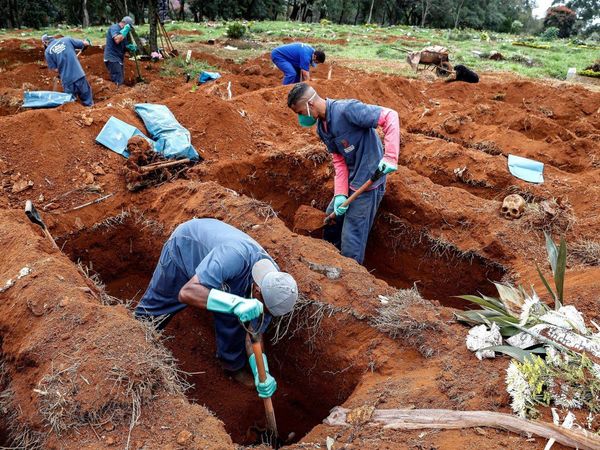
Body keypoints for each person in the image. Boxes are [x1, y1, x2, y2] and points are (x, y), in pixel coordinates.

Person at [134, 218, 298, 398]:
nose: (263, 312)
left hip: (226, 276)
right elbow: (187, 293)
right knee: (153, 313)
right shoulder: (234, 256)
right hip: (185, 250)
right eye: (263, 308)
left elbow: (254, 332)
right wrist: (235, 303)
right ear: (257, 290)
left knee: (234, 318)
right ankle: (132, 346)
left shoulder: (274, 285)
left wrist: (261, 371)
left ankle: (232, 366)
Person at [287, 83, 401, 264]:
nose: (301, 118)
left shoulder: (347, 110)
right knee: (330, 220)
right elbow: (339, 161)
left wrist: (390, 156)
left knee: (351, 243)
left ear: (310, 105)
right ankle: (330, 262)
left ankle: (350, 275)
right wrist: (340, 194)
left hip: (368, 184)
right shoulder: (322, 128)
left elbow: (390, 116)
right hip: (350, 182)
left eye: (300, 113)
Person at [42, 34, 93, 106]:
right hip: (79, 75)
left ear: (45, 43)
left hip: (67, 80)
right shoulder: (67, 39)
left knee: (70, 104)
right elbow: (85, 43)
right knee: (87, 97)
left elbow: (55, 69)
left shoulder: (48, 52)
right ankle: (90, 110)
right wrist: (87, 42)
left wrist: (60, 71)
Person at [104, 16, 138, 85]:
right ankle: (117, 94)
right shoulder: (114, 27)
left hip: (118, 58)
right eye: (129, 27)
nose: (129, 30)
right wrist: (125, 30)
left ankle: (119, 93)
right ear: (124, 23)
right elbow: (117, 40)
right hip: (112, 58)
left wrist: (129, 47)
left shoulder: (123, 33)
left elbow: (123, 45)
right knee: (118, 80)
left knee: (120, 78)